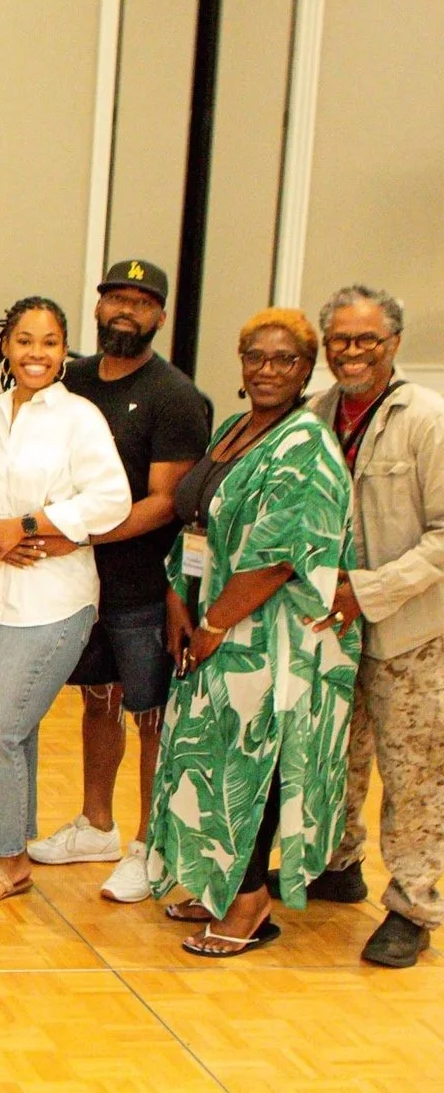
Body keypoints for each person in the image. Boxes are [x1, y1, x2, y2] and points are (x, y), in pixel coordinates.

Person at [148, 308, 358, 956]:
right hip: (215, 622)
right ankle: (220, 881)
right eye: (255, 357)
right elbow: (197, 520)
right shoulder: (237, 429)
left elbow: (278, 557)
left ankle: (250, 902)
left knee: (255, 764)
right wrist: (178, 599)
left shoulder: (304, 443)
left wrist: (214, 621)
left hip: (270, 637)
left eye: (284, 359)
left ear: (307, 369)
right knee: (213, 760)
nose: (267, 370)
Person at [26, 260, 212, 904]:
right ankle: (96, 825)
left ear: (160, 316)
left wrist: (77, 533)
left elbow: (166, 502)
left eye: (141, 301)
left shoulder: (175, 396)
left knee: (151, 713)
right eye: (116, 298)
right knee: (97, 699)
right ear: (98, 307)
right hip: (80, 582)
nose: (126, 311)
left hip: (143, 586)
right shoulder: (72, 378)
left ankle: (149, 845)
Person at [0, 297, 129, 904]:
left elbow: (111, 500)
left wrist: (25, 525)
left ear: (64, 351)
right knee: (13, 732)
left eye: (49, 342)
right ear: (6, 346)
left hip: (53, 601)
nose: (36, 354)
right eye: (24, 340)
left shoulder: (80, 418)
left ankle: (7, 860)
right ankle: (16, 845)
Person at [308, 285, 444, 968]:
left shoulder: (428, 420)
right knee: (336, 755)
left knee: (413, 773)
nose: (352, 352)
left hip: (413, 633)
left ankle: (414, 907)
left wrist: (369, 591)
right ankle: (337, 864)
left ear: (393, 343)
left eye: (367, 340)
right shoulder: (315, 414)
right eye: (340, 340)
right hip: (332, 626)